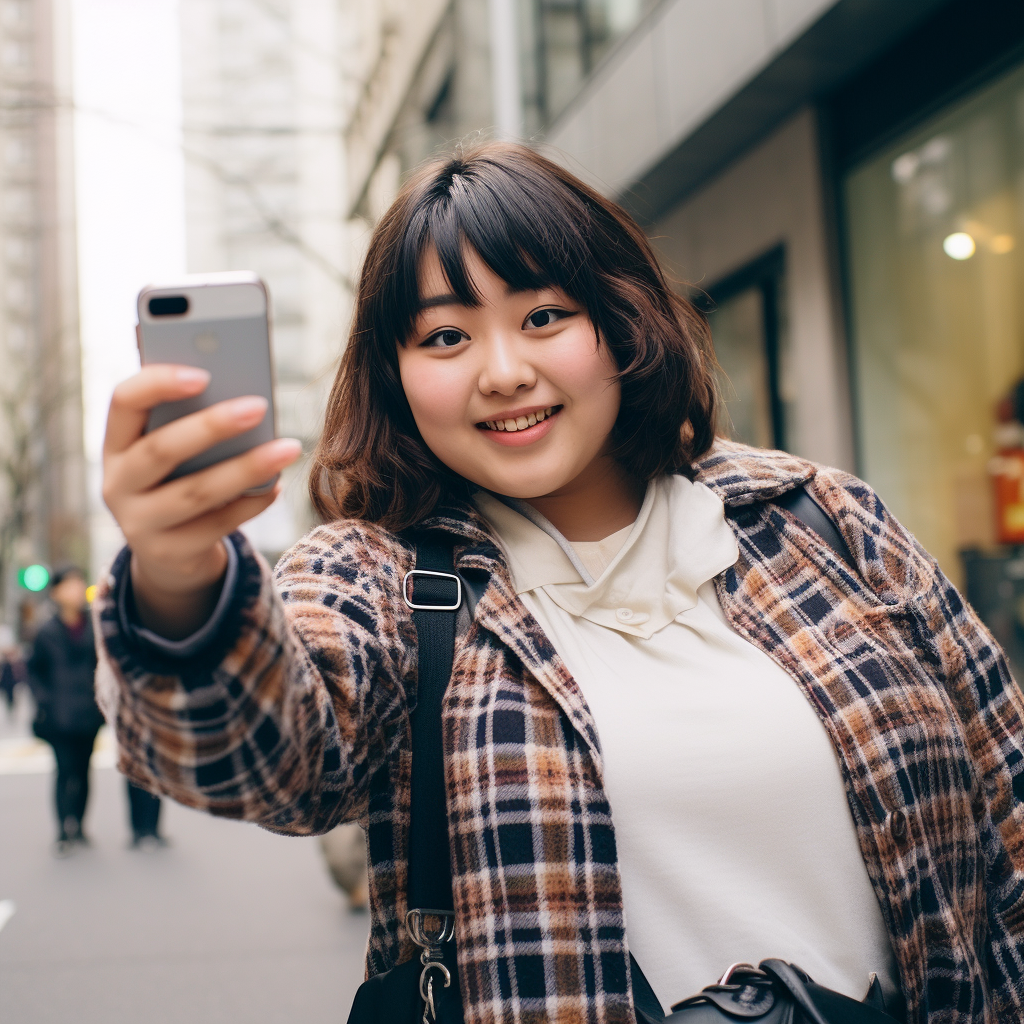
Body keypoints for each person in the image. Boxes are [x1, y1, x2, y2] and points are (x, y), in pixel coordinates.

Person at [94, 143, 1024, 1024]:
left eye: (544, 317)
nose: (505, 373)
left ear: (619, 321)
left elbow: (1008, 810)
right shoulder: (379, 578)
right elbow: (267, 762)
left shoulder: (818, 518)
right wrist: (181, 576)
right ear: (397, 376)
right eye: (447, 336)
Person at [28, 566, 103, 855]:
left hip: (89, 712)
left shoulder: (94, 625)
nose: (76, 590)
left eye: (79, 584)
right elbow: (34, 671)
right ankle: (62, 829)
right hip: (58, 715)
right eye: (69, 585)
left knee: (84, 771)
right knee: (64, 770)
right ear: (57, 592)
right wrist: (44, 700)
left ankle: (80, 826)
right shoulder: (46, 631)